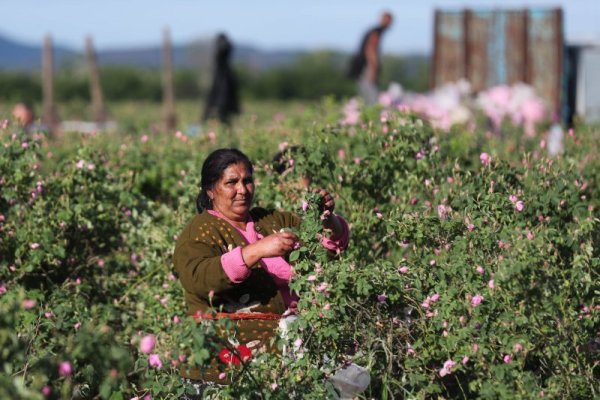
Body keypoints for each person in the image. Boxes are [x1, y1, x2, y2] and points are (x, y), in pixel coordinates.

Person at [173, 148, 349, 398]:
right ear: (211, 190)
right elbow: (198, 278)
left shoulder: (270, 221)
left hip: (287, 356)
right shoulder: (201, 230)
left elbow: (325, 249)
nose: (242, 190)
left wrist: (327, 220)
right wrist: (253, 252)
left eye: (247, 181)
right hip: (226, 366)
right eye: (231, 182)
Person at [348, 12, 393, 105]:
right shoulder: (376, 32)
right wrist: (373, 68)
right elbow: (370, 50)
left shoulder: (375, 31)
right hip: (366, 66)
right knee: (370, 95)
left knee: (365, 94)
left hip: (362, 65)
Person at [202, 33, 240, 125]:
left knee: (222, 106)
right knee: (219, 105)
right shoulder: (220, 52)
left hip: (223, 80)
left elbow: (226, 47)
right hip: (221, 80)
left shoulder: (223, 49)